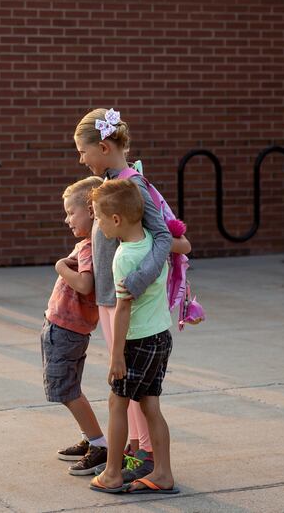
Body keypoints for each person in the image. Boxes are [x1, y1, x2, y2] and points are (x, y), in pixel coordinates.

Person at [74, 108, 182, 482]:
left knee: (129, 389)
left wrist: (139, 278)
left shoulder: (133, 184)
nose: (80, 158)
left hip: (124, 297)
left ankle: (144, 455)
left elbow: (166, 237)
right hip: (108, 294)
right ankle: (135, 448)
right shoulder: (111, 180)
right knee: (135, 393)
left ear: (103, 146)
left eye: (82, 151)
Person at [89, 179, 179, 495]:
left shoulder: (124, 257)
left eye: (98, 219)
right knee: (150, 405)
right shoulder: (154, 241)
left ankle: (112, 474)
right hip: (160, 337)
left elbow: (123, 310)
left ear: (116, 220)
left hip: (137, 342)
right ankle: (163, 473)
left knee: (117, 403)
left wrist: (116, 356)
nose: (97, 225)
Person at [42, 176, 109, 477]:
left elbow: (84, 284)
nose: (67, 219)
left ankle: (99, 446)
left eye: (71, 212)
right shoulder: (89, 243)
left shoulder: (88, 247)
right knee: (69, 388)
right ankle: (89, 438)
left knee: (67, 391)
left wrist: (59, 267)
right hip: (62, 329)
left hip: (67, 332)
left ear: (91, 212)